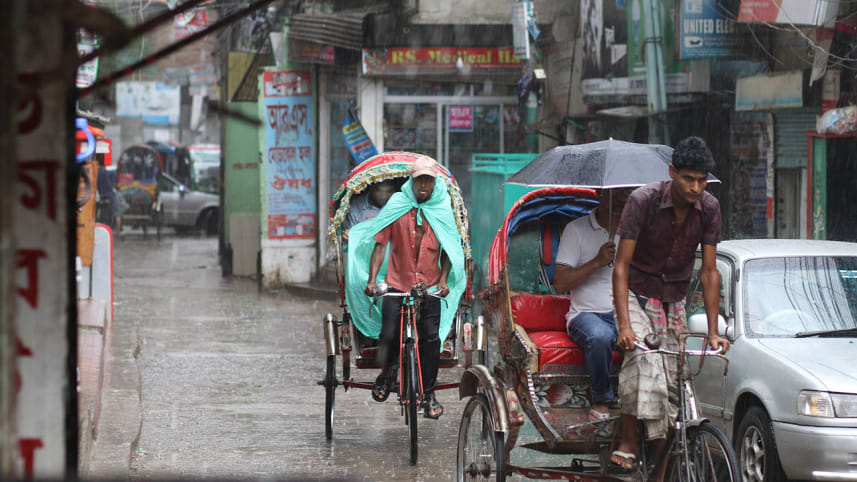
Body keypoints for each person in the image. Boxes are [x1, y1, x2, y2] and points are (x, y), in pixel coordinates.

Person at [610, 136, 730, 476]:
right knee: (643, 360)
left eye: (702, 180)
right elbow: (620, 266)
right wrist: (624, 326)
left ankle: (659, 473)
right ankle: (629, 441)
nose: (695, 187)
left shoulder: (709, 209)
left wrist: (712, 330)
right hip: (634, 290)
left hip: (673, 297)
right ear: (672, 172)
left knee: (672, 391)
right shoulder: (642, 201)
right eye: (688, 178)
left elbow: (708, 273)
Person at [346, 156, 466, 420]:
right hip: (397, 284)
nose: (423, 185)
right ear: (412, 181)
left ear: (434, 183)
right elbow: (380, 245)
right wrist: (371, 280)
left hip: (430, 286)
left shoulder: (443, 210)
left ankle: (430, 392)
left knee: (431, 340)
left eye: (428, 180)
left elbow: (449, 250)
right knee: (388, 333)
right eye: (419, 179)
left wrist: (444, 280)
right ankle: (387, 373)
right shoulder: (397, 205)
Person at [553, 188, 630, 420]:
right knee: (600, 336)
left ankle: (634, 404)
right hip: (586, 314)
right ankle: (602, 401)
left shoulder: (634, 232)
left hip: (625, 311)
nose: (621, 199)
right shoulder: (576, 230)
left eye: (625, 194)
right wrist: (597, 262)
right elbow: (560, 283)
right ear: (600, 194)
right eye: (615, 193)